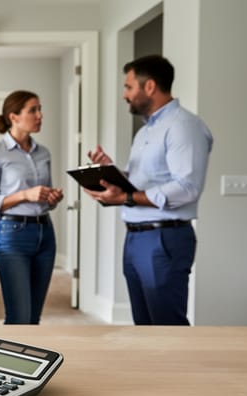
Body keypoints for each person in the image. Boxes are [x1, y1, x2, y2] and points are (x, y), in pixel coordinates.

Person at [83, 55, 213, 325]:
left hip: (164, 239)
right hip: (136, 238)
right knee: (144, 326)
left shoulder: (183, 126)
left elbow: (187, 188)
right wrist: (110, 172)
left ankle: (177, 369)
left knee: (167, 325)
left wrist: (126, 197)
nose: (124, 95)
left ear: (150, 86)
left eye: (129, 87)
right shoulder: (145, 132)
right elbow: (143, 180)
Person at [0, 90, 63, 324]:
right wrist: (25, 194)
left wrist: (51, 198)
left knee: (34, 317)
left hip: (45, 233)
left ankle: (31, 361)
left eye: (40, 109)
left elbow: (44, 198)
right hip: (13, 235)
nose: (40, 115)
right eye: (33, 110)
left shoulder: (43, 153)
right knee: (19, 316)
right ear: (14, 116)